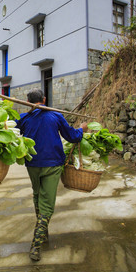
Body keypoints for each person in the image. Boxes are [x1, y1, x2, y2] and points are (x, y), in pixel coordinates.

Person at [16, 88, 87, 261]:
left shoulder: (24, 118)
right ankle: (36, 245)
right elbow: (72, 137)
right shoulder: (56, 116)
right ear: (44, 99)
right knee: (47, 203)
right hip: (53, 164)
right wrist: (82, 129)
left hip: (32, 163)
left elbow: (10, 132)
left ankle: (43, 231)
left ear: (28, 100)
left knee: (38, 195)